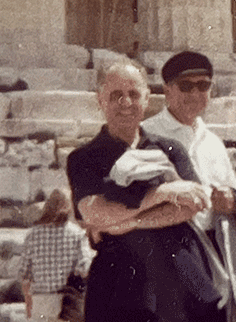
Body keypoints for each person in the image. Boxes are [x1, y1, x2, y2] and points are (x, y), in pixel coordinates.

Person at [66, 61, 225, 322]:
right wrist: (162, 194)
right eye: (116, 95)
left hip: (180, 279)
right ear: (100, 100)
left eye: (134, 94)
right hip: (120, 285)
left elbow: (192, 204)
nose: (126, 103)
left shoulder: (171, 149)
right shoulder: (84, 157)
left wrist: (125, 221)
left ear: (147, 98)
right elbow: (95, 212)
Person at [141, 51, 236, 322]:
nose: (195, 93)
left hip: (216, 250)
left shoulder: (213, 141)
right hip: (168, 251)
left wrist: (232, 201)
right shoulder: (146, 134)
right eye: (185, 86)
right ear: (167, 90)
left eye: (203, 86)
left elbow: (233, 192)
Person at [18, 189, 91, 322]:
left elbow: (24, 274)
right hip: (66, 302)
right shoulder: (77, 234)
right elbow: (84, 269)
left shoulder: (32, 235)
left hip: (39, 302)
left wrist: (29, 303)